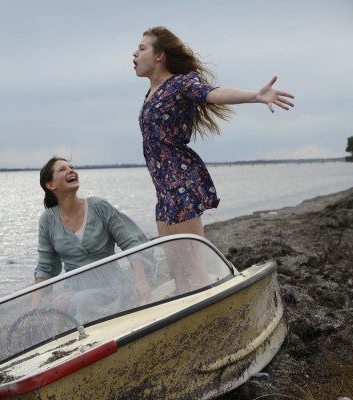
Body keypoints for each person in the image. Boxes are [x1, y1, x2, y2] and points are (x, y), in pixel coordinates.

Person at [133, 26, 295, 238]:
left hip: (179, 184)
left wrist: (255, 96)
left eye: (142, 48)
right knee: (178, 267)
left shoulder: (180, 84)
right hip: (164, 190)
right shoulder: (151, 93)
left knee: (193, 269)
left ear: (159, 55)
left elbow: (213, 93)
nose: (135, 53)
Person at [32, 156, 151, 321]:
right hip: (74, 287)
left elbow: (131, 243)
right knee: (58, 309)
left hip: (111, 285)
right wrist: (34, 308)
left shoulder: (99, 207)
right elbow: (45, 267)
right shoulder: (47, 220)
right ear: (50, 185)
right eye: (62, 169)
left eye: (71, 167)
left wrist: (140, 280)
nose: (70, 170)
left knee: (82, 301)